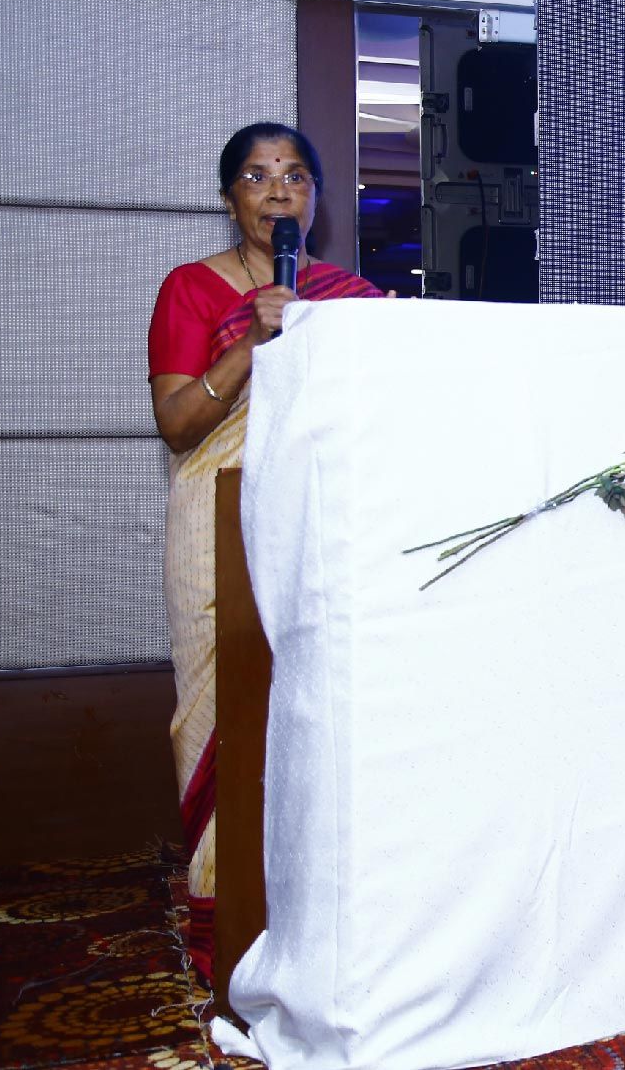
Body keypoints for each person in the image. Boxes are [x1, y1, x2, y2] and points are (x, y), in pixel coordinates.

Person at [147, 122, 383, 979]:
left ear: (315, 198)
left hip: (322, 517)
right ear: (228, 199)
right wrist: (255, 342)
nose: (277, 188)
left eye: (294, 174)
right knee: (217, 702)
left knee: (320, 701)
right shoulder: (190, 289)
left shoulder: (353, 299)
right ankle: (224, 914)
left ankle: (317, 904)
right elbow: (177, 424)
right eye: (255, 175)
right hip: (216, 515)